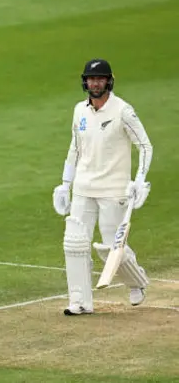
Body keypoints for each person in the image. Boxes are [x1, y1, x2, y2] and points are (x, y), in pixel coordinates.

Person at [53, 58, 153, 315]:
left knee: (111, 248)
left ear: (109, 81)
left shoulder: (123, 111)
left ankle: (137, 282)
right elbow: (75, 148)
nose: (95, 83)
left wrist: (139, 181)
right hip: (83, 186)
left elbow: (144, 146)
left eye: (99, 78)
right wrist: (65, 184)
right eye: (90, 79)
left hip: (113, 188)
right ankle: (80, 301)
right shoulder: (79, 110)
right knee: (74, 243)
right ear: (85, 81)